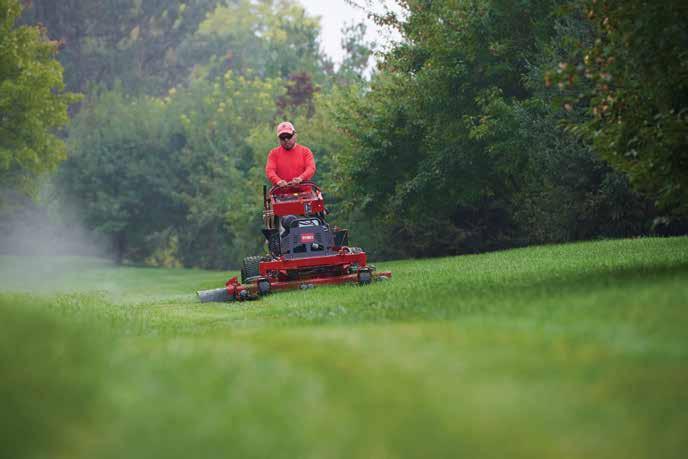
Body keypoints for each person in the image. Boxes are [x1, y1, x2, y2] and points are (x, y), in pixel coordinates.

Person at [265, 121, 316, 187]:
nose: (286, 140)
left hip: (304, 191)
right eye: (282, 137)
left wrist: (301, 178)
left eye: (289, 136)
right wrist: (278, 181)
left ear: (295, 135)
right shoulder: (273, 154)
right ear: (279, 139)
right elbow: (270, 170)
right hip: (280, 192)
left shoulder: (305, 151)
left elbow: (311, 168)